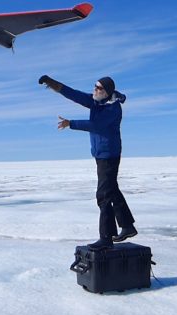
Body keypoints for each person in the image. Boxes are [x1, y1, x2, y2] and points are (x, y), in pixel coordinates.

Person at [38, 75, 138, 250]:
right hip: (101, 154)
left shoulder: (112, 108)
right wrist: (52, 83)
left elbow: (96, 125)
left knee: (103, 195)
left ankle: (106, 238)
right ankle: (127, 226)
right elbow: (74, 94)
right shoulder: (97, 101)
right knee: (112, 189)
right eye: (95, 86)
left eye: (99, 88)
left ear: (106, 92)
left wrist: (71, 123)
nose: (95, 89)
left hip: (109, 155)